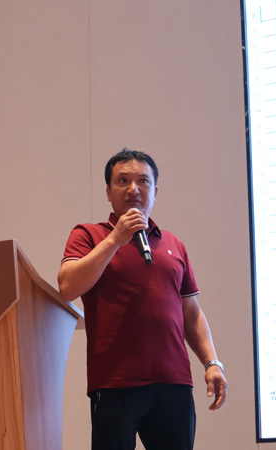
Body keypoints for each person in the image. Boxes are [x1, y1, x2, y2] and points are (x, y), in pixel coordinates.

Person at [58, 149, 227, 450]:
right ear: (108, 191)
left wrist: (212, 363)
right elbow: (68, 287)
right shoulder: (89, 235)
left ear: (155, 191)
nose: (133, 189)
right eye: (123, 181)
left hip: (173, 382)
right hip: (114, 383)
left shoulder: (174, 244)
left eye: (143, 181)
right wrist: (115, 239)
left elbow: (191, 312)